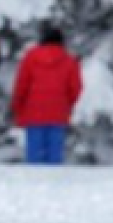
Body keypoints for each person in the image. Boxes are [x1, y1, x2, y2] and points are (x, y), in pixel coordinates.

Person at [11, 25, 82, 165]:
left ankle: (34, 177)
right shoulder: (69, 60)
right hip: (58, 111)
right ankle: (53, 178)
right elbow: (76, 88)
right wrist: (67, 103)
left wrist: (17, 107)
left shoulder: (30, 58)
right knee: (54, 154)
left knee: (34, 154)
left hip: (33, 110)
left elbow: (21, 85)